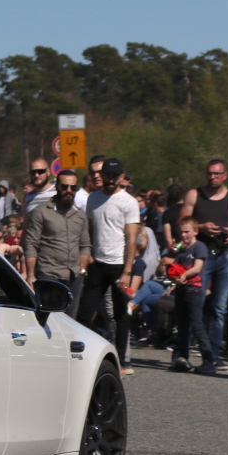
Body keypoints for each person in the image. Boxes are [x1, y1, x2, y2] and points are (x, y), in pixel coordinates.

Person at [179, 159, 228, 367]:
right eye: (209, 173)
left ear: (225, 176)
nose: (212, 177)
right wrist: (201, 227)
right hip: (200, 256)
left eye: (217, 174)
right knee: (194, 305)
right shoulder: (194, 195)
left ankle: (213, 355)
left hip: (224, 256)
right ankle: (183, 354)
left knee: (218, 307)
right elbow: (182, 223)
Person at [78, 158, 141, 373]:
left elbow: (131, 238)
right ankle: (83, 359)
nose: (111, 179)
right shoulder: (93, 199)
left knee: (120, 314)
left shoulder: (128, 202)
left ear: (121, 177)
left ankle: (123, 361)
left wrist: (127, 271)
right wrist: (86, 255)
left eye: (115, 176)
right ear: (102, 176)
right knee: (85, 313)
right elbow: (89, 230)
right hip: (97, 263)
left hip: (118, 265)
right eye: (108, 175)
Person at [22, 171, 91, 317]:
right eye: (64, 187)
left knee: (71, 321)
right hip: (49, 274)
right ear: (57, 187)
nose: (69, 191)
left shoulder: (80, 215)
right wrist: (30, 275)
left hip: (74, 276)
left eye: (73, 188)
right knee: (51, 319)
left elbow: (85, 245)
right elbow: (31, 244)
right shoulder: (41, 212)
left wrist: (82, 271)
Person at [164, 217, 215, 374]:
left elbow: (197, 268)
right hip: (182, 290)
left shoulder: (199, 247)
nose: (184, 235)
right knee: (182, 325)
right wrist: (174, 283)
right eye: (181, 232)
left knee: (196, 324)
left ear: (195, 231)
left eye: (187, 232)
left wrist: (184, 276)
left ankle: (208, 361)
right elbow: (176, 269)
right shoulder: (182, 251)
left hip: (195, 290)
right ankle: (182, 358)